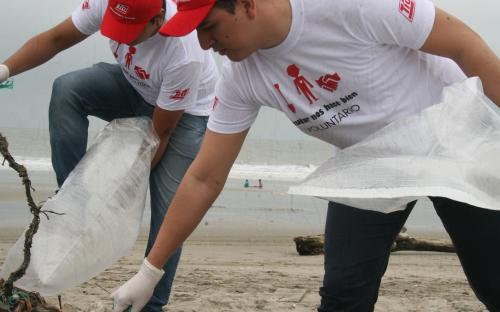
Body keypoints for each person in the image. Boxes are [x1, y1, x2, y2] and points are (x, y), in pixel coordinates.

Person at [111, 0, 500, 311]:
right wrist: (150, 270)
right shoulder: (240, 77)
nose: (204, 45)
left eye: (208, 27)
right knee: (344, 296)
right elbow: (204, 177)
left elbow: (465, 45)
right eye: (195, 33)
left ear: (247, 5)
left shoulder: (351, 7)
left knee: (493, 283)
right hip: (369, 162)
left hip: (449, 136)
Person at [0, 0, 218, 310]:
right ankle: (74, 205)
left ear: (157, 18)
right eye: (117, 29)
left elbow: (160, 134)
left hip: (183, 115)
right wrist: (4, 69)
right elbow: (55, 39)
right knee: (67, 89)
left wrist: (121, 189)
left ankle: (152, 303)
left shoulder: (183, 54)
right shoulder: (109, 3)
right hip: (135, 87)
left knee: (170, 212)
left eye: (130, 32)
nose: (121, 38)